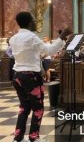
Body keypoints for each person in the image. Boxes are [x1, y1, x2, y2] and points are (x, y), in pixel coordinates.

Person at [9, 11, 71, 142]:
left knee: (24, 108)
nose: (36, 22)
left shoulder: (14, 38)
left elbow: (31, 53)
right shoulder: (31, 37)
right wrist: (62, 37)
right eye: (34, 20)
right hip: (31, 76)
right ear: (30, 23)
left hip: (17, 76)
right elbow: (49, 51)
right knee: (38, 108)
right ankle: (34, 137)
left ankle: (18, 138)